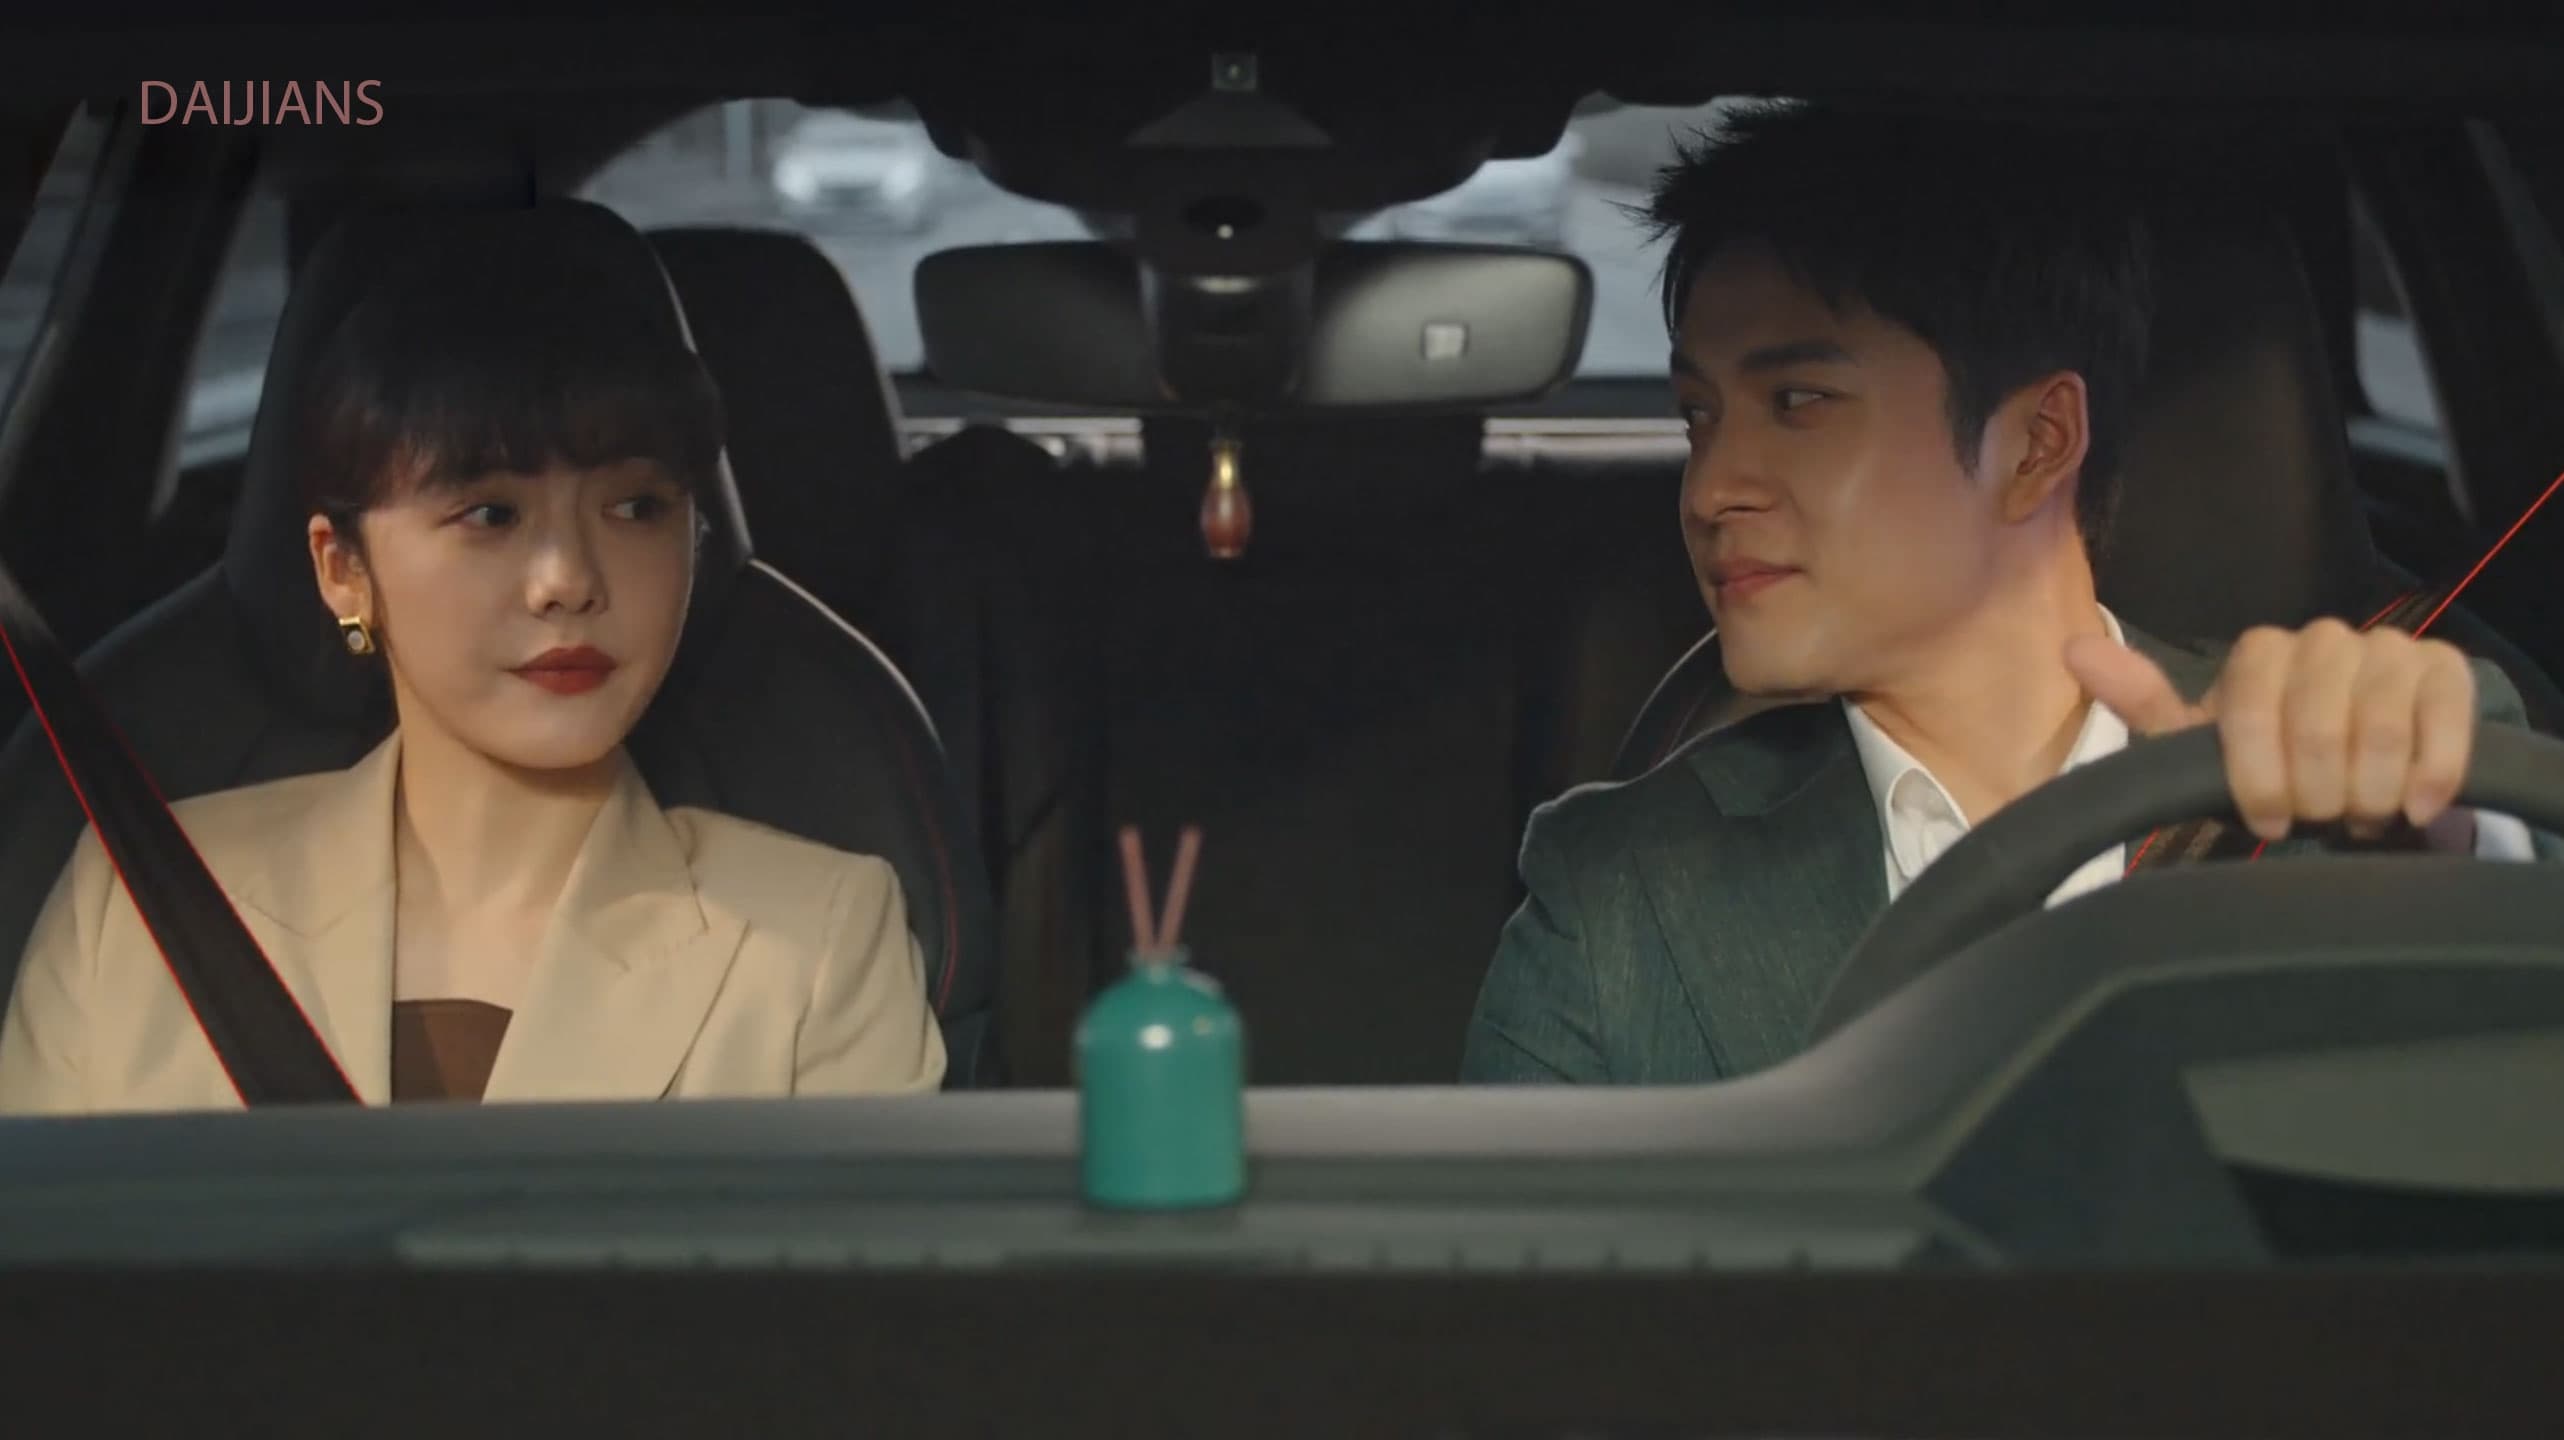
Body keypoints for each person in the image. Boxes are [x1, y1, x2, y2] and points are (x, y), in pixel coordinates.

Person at [1461, 103, 2552, 1085]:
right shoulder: (1613, 888)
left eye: (1798, 401)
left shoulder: (2378, 751)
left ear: (2037, 443)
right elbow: (1504, 1246)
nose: (1710, 490)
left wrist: (2446, 855)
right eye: (1698, 417)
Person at [0, 212, 945, 1112]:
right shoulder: (140, 901)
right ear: (342, 571)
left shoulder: (820, 936)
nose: (567, 581)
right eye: (491, 514)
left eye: (636, 509)